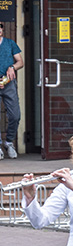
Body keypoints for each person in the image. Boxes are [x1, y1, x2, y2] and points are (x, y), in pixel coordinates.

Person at [0, 22, 23, 159]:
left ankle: (9, 142)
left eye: (0, 27)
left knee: (15, 115)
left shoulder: (10, 43)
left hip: (8, 82)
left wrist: (12, 67)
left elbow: (20, 61)